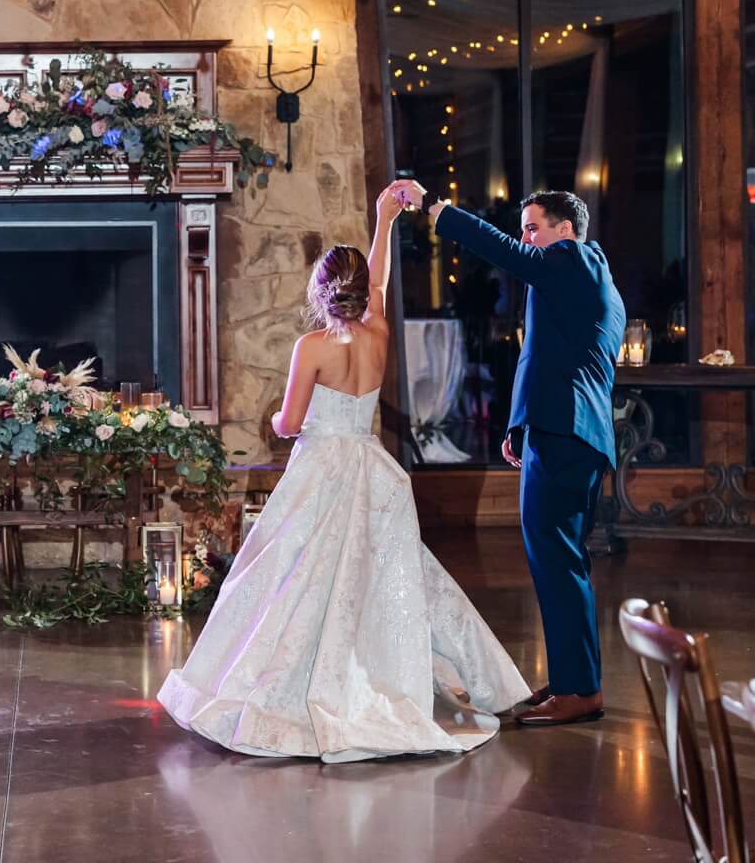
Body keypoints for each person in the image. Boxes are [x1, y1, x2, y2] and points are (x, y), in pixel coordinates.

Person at [158, 181, 530, 763]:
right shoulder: (379, 335)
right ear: (361, 293)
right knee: (369, 584)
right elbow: (379, 285)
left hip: (323, 471)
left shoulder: (311, 347)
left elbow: (289, 422)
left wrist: (278, 420)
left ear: (321, 288)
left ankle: (288, 692)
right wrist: (383, 222)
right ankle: (378, 674)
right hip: (373, 470)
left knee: (291, 579)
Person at [417, 186, 626, 728]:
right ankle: (574, 678)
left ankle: (579, 690)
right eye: (526, 229)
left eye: (534, 227)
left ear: (565, 229)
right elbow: (551, 356)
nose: (526, 238)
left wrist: (435, 208)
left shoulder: (572, 259)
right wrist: (519, 424)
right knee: (564, 560)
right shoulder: (589, 273)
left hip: (564, 433)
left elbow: (510, 255)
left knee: (556, 559)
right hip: (565, 430)